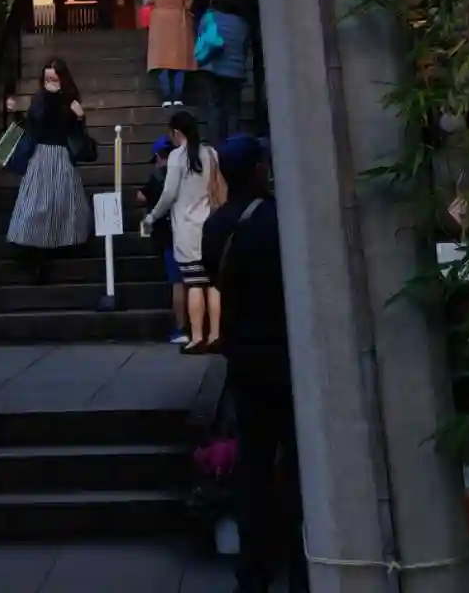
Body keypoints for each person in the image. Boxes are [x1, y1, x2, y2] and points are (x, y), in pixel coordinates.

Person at [202, 135, 303, 593]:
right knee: (298, 465)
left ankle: (253, 571)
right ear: (260, 168)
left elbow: (214, 275)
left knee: (254, 465)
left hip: (243, 354)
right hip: (286, 350)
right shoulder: (281, 219)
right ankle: (303, 567)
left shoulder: (216, 225)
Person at [4, 58, 92, 279]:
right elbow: (34, 126)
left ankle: (52, 253)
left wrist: (80, 117)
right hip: (40, 156)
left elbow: (73, 131)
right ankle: (34, 257)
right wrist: (17, 112)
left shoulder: (70, 101)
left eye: (54, 78)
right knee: (35, 206)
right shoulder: (39, 99)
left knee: (60, 206)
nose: (50, 83)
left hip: (61, 156)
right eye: (47, 79)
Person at [143, 109, 220, 354]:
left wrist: (152, 216)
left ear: (176, 132)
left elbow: (168, 194)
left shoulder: (177, 156)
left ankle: (197, 337)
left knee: (194, 283)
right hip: (211, 224)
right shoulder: (211, 153)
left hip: (187, 228)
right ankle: (215, 334)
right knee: (213, 283)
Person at [135, 136, 187, 345]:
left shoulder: (157, 177)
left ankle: (181, 327)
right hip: (189, 229)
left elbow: (140, 197)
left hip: (168, 234)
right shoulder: (184, 172)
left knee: (177, 282)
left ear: (157, 156)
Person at [196, 0, 251, 143]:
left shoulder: (209, 18)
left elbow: (203, 40)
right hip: (235, 72)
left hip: (213, 69)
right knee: (233, 110)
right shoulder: (242, 23)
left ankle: (215, 144)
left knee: (214, 107)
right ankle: (233, 144)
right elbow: (244, 49)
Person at [145, 0, 195, 107]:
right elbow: (189, 0)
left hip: (159, 19)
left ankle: (166, 96)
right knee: (180, 59)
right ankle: (178, 95)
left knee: (162, 59)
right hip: (179, 18)